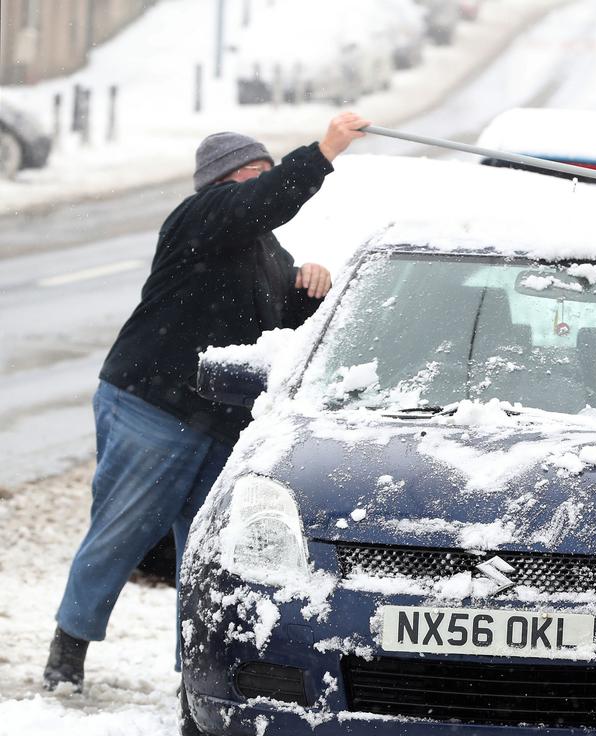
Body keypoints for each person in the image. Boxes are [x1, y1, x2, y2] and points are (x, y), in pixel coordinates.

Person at [43, 112, 369, 691]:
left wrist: (308, 286)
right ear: (223, 180)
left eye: (267, 171)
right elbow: (258, 204)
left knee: (205, 553)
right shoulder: (201, 217)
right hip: (153, 405)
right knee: (123, 529)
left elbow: (276, 327)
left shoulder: (264, 249)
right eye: (254, 172)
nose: (263, 181)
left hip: (219, 422)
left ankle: (193, 670)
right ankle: (68, 651)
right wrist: (321, 153)